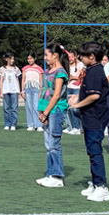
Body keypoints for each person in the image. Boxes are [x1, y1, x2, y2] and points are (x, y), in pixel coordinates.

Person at [70, 42, 109, 202]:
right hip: (90, 117)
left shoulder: (95, 71)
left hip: (95, 117)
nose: (80, 58)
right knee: (91, 151)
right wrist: (78, 97)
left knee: (95, 152)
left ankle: (101, 187)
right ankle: (95, 183)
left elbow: (95, 95)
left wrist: (77, 105)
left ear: (92, 56)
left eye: (83, 55)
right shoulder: (92, 70)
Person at [36, 44, 70, 188]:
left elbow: (56, 95)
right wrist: (40, 110)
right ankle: (50, 174)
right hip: (46, 110)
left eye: (47, 55)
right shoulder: (47, 71)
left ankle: (57, 176)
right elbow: (43, 91)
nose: (45, 58)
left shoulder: (60, 72)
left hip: (55, 110)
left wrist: (46, 112)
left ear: (55, 55)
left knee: (54, 144)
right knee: (48, 144)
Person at [0, 53, 21, 131]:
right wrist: (1, 92)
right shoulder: (2, 69)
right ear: (6, 59)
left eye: (13, 59)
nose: (12, 60)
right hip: (6, 90)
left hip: (14, 90)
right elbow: (1, 81)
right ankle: (7, 124)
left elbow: (17, 79)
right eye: (11, 59)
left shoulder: (16, 69)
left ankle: (13, 124)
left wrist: (19, 91)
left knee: (14, 108)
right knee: (6, 108)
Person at [22, 53, 44, 131]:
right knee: (28, 106)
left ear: (34, 58)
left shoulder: (39, 69)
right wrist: (22, 91)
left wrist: (41, 91)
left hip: (36, 89)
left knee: (36, 106)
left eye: (31, 58)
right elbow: (23, 79)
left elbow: (41, 80)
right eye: (28, 59)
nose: (29, 60)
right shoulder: (25, 68)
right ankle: (30, 124)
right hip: (27, 89)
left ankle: (38, 124)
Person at [65, 51, 85, 135]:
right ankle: (72, 126)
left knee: (75, 108)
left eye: (72, 57)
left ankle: (78, 127)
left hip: (77, 88)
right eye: (69, 57)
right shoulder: (67, 65)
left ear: (76, 57)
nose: (70, 59)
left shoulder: (80, 65)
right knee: (69, 108)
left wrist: (73, 77)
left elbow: (82, 77)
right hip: (69, 87)